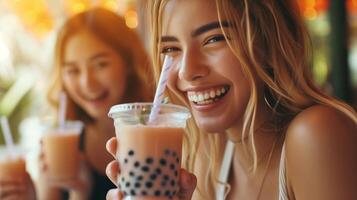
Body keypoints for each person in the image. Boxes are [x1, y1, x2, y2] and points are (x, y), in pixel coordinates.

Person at [105, 0, 357, 200]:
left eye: (214, 39)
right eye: (171, 49)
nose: (187, 71)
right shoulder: (206, 153)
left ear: (267, 43)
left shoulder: (316, 135)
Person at [39, 7, 153, 200]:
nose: (87, 83)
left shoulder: (160, 132)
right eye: (73, 70)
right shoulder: (59, 141)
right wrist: (79, 191)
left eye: (100, 64)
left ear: (128, 62)